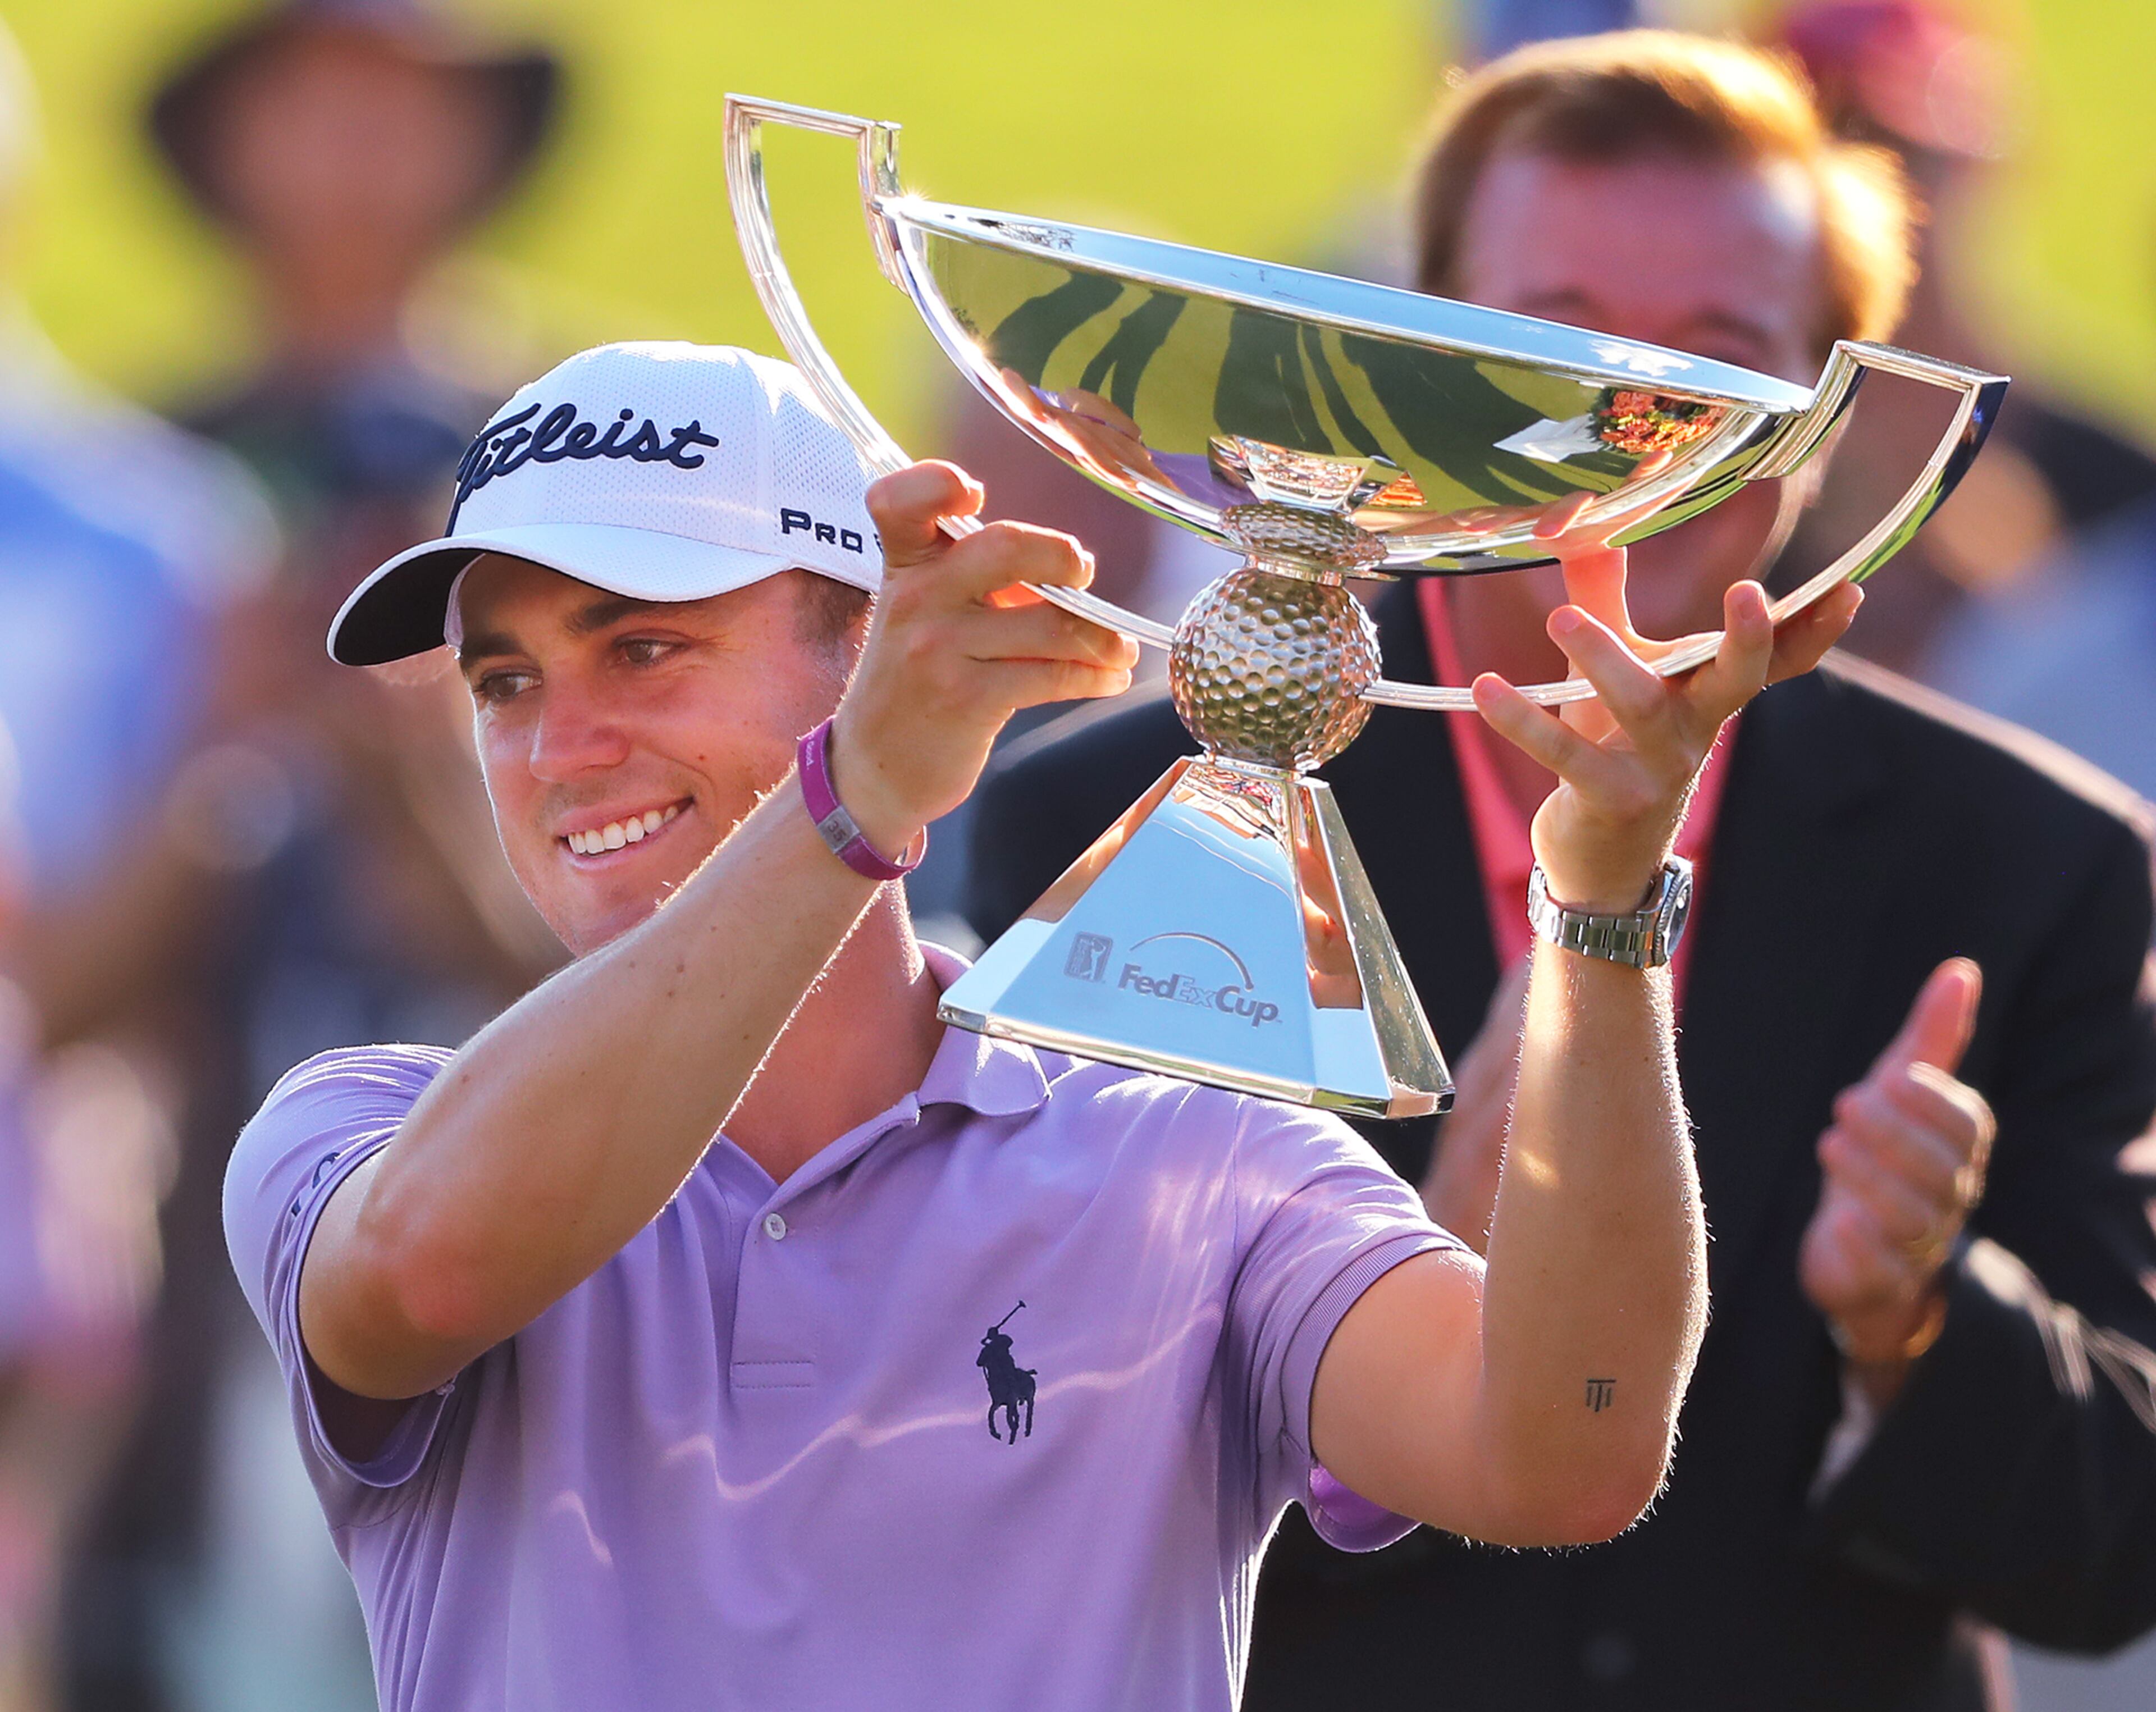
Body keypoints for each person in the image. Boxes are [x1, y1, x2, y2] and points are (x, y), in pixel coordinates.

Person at [224, 338, 1849, 1711]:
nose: (559, 745)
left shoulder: (1193, 1154)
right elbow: (431, 1265)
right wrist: (850, 796)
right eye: (502, 682)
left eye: (644, 646)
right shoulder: (358, 1125)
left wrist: (1602, 908)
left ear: (862, 651)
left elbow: (1565, 1446)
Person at [966, 32, 2156, 1712]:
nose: (1631, 420)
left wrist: (1915, 1320)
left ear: (1830, 405)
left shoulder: (2031, 860)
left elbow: (2110, 1561)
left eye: (1719, 358)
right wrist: (1412, 1324)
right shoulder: (1119, 809)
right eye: (1548, 341)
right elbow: (1019, 1457)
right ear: (1413, 349)